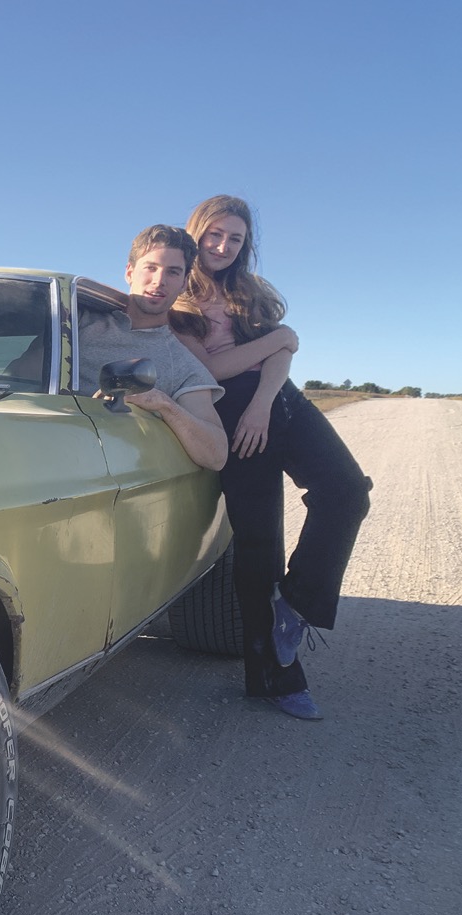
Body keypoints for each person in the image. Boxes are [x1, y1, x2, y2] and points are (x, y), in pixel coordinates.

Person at [170, 195, 371, 721]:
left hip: (278, 402)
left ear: (244, 245)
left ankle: (297, 603)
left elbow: (281, 354)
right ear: (196, 233)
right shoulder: (179, 298)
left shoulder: (251, 290)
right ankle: (273, 681)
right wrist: (280, 340)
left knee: (347, 491)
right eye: (214, 234)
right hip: (229, 416)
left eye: (234, 238)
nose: (222, 246)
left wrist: (264, 398)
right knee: (260, 543)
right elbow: (214, 366)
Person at [78, 224, 229, 472]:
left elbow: (216, 455)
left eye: (172, 272)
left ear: (183, 283)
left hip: (105, 473)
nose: (159, 281)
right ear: (129, 272)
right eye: (151, 268)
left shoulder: (179, 362)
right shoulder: (76, 321)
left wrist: (163, 404)